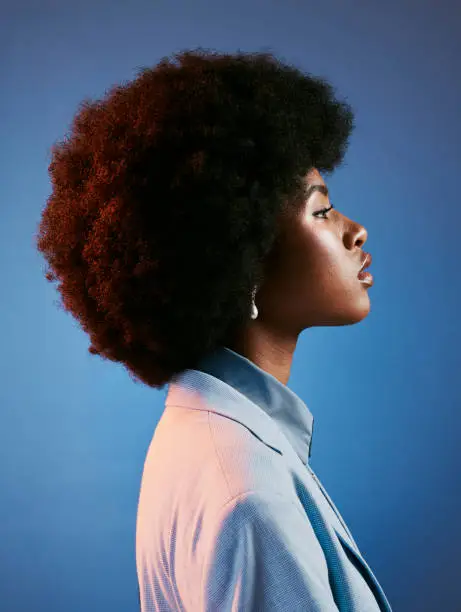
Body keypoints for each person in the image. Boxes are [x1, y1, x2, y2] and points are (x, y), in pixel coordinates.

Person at [35, 47, 392, 611]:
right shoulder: (250, 497)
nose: (357, 231)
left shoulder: (198, 432)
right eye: (321, 211)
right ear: (243, 259)